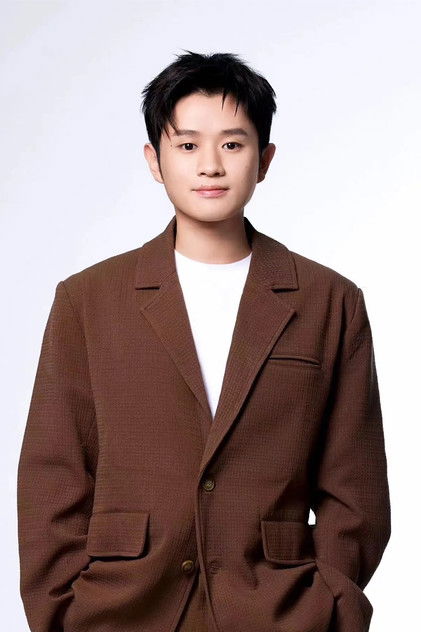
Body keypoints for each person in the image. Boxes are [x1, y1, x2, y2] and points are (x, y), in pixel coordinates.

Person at [17, 51, 391, 632]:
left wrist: (331, 604)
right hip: (121, 611)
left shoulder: (330, 301)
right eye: (188, 145)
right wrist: (62, 612)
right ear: (154, 160)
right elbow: (53, 475)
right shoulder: (87, 300)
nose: (210, 166)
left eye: (233, 145)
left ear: (265, 160)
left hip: (280, 611)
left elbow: (357, 489)